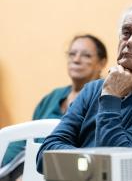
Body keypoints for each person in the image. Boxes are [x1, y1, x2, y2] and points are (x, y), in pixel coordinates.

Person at [36, 4, 132, 177]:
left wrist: (111, 97)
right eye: (126, 33)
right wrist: (93, 164)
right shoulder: (93, 89)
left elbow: (118, 172)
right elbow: (45, 155)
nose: (131, 41)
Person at [1, 34, 107, 167]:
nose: (76, 59)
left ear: (102, 62)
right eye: (72, 54)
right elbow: (23, 141)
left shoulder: (105, 100)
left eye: (86, 55)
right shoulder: (51, 98)